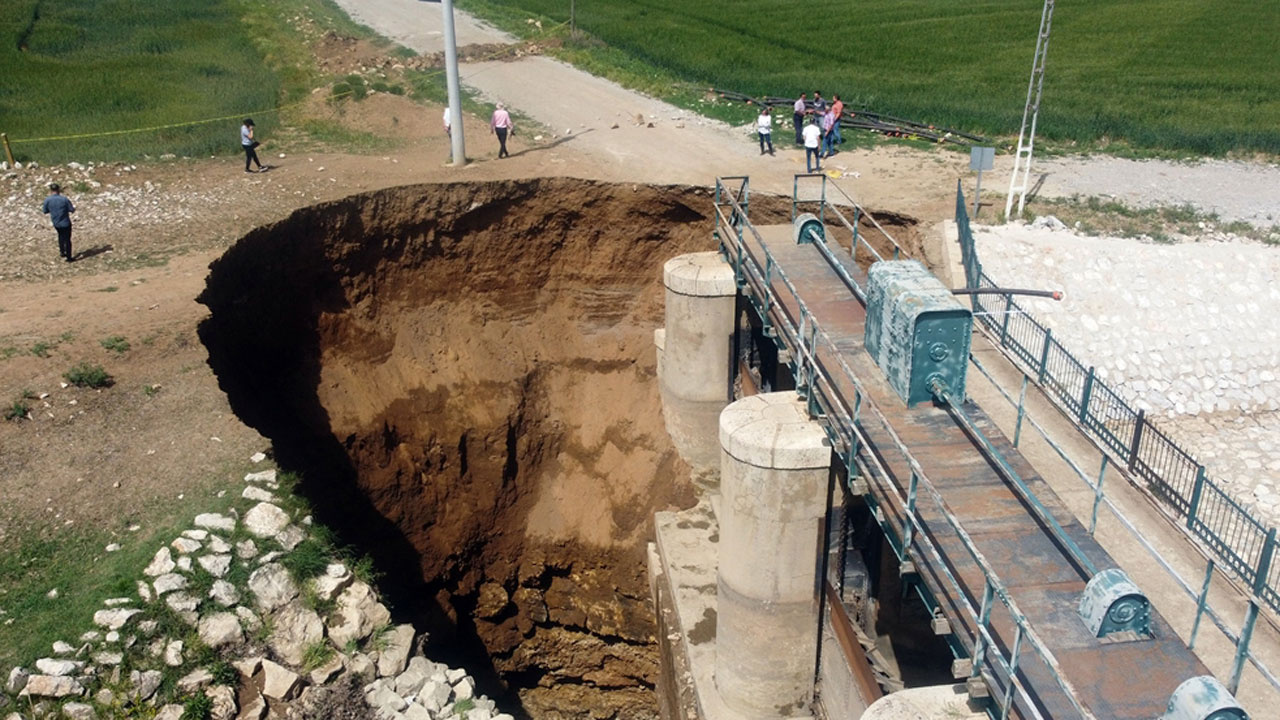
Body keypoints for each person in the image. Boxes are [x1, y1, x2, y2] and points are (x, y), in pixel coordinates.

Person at [42, 183, 76, 262]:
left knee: (60, 236)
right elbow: (71, 210)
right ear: (59, 190)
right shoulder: (64, 199)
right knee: (67, 239)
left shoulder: (47, 200)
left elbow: (45, 211)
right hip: (65, 222)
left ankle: (62, 251)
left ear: (51, 190)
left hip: (56, 223)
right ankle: (69, 257)